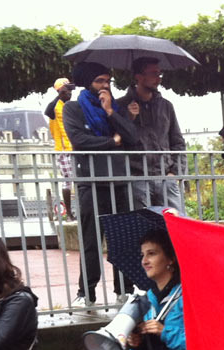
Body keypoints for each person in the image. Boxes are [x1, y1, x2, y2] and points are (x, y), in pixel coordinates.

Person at [62, 60, 140, 304]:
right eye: (99, 81)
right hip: (90, 181)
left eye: (107, 81)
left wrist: (111, 113)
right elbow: (79, 140)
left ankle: (124, 289)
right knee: (90, 240)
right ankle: (86, 292)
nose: (104, 85)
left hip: (119, 181)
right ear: (88, 83)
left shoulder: (116, 108)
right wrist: (112, 142)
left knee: (122, 238)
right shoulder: (73, 108)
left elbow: (132, 138)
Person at [116, 56, 185, 211]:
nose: (158, 78)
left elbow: (177, 141)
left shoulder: (166, 106)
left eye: (159, 74)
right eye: (153, 73)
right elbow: (117, 140)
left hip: (166, 177)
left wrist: (175, 173)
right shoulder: (121, 106)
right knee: (142, 230)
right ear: (139, 77)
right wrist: (129, 118)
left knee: (176, 226)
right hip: (136, 179)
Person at [43, 77, 75, 221]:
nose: (70, 92)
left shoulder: (71, 105)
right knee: (67, 181)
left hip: (75, 147)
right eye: (67, 90)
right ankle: (68, 213)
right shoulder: (55, 106)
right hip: (63, 149)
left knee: (81, 180)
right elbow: (47, 110)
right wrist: (59, 94)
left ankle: (76, 211)